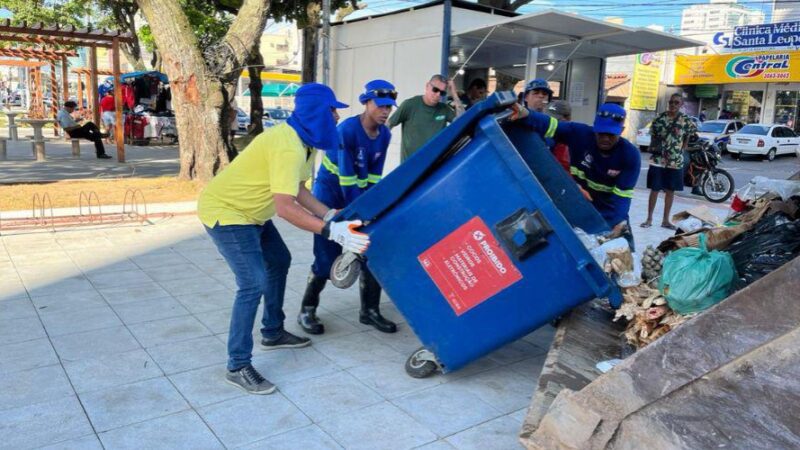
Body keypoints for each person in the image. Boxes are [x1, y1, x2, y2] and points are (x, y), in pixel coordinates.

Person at [197, 83, 370, 395]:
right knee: (253, 283)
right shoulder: (288, 145)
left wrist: (330, 215)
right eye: (332, 110)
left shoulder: (305, 143)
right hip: (228, 212)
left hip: (252, 214)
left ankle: (273, 332)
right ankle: (237, 365)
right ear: (318, 112)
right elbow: (285, 207)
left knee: (279, 260)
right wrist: (330, 231)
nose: (335, 116)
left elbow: (299, 190)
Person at [299, 80, 398, 336]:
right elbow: (346, 180)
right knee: (326, 257)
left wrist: (372, 211)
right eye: (381, 105)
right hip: (329, 197)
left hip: (357, 195)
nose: (386, 111)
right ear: (366, 103)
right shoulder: (347, 131)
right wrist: (357, 216)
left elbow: (374, 177)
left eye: (389, 107)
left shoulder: (385, 134)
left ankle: (369, 311)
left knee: (370, 250)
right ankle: (307, 310)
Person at [512, 103, 641, 249]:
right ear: (594, 128)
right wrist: (527, 114)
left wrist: (618, 222)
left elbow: (622, 196)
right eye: (601, 133)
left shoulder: (630, 155)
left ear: (621, 131)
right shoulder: (580, 134)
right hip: (579, 203)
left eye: (611, 134)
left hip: (608, 209)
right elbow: (551, 124)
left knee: (623, 254)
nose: (605, 138)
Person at [641, 93, 697, 230]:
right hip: (658, 159)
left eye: (676, 103)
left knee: (670, 190)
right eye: (671, 102)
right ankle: (649, 219)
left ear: (681, 105)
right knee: (654, 189)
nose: (673, 105)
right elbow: (653, 135)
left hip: (674, 161)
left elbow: (688, 135)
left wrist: (682, 149)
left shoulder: (686, 120)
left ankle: (665, 220)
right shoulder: (659, 119)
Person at [388, 74, 462, 162]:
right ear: (427, 86)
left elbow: (463, 121)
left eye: (442, 93)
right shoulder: (410, 105)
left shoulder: (444, 109)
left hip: (434, 167)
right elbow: (388, 125)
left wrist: (454, 93)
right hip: (410, 167)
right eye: (435, 90)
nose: (438, 95)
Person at [546, 100, 571, 172]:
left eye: (554, 120)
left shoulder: (570, 144)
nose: (549, 123)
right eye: (547, 119)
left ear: (567, 119)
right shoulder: (548, 137)